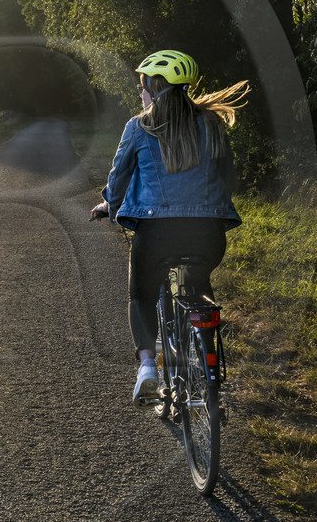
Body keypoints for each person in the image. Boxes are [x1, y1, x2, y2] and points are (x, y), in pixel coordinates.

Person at [90, 50, 248, 400]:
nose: (141, 92)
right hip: (208, 236)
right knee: (199, 284)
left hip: (156, 235)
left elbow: (118, 179)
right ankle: (207, 360)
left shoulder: (138, 126)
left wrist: (109, 204)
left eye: (142, 86)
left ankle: (147, 365)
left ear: (151, 87)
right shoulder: (212, 124)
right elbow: (228, 178)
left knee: (141, 295)